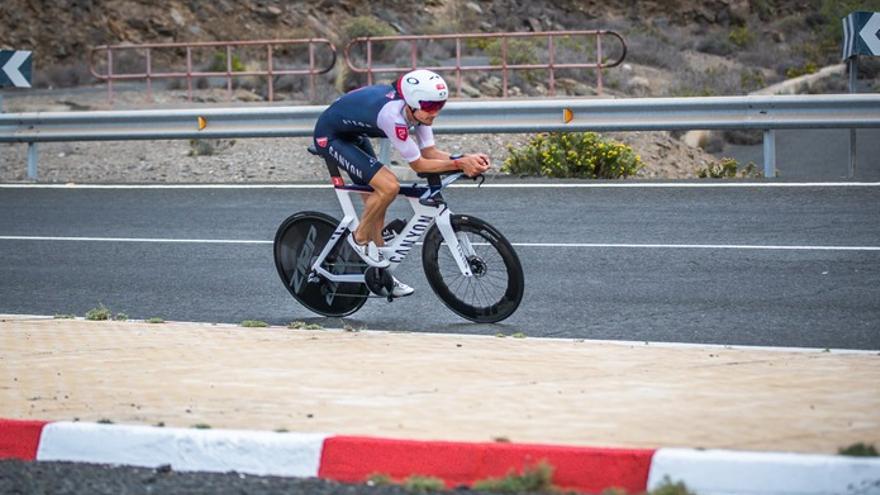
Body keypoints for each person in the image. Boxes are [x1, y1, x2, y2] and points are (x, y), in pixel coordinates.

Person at [312, 69, 490, 297]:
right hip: (331, 136)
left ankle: (379, 274)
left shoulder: (419, 113)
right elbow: (419, 165)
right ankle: (358, 241)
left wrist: (464, 158)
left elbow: (430, 152)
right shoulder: (393, 116)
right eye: (429, 106)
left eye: (439, 105)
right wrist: (460, 164)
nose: (434, 112)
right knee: (389, 187)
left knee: (378, 206)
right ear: (413, 102)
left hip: (353, 134)